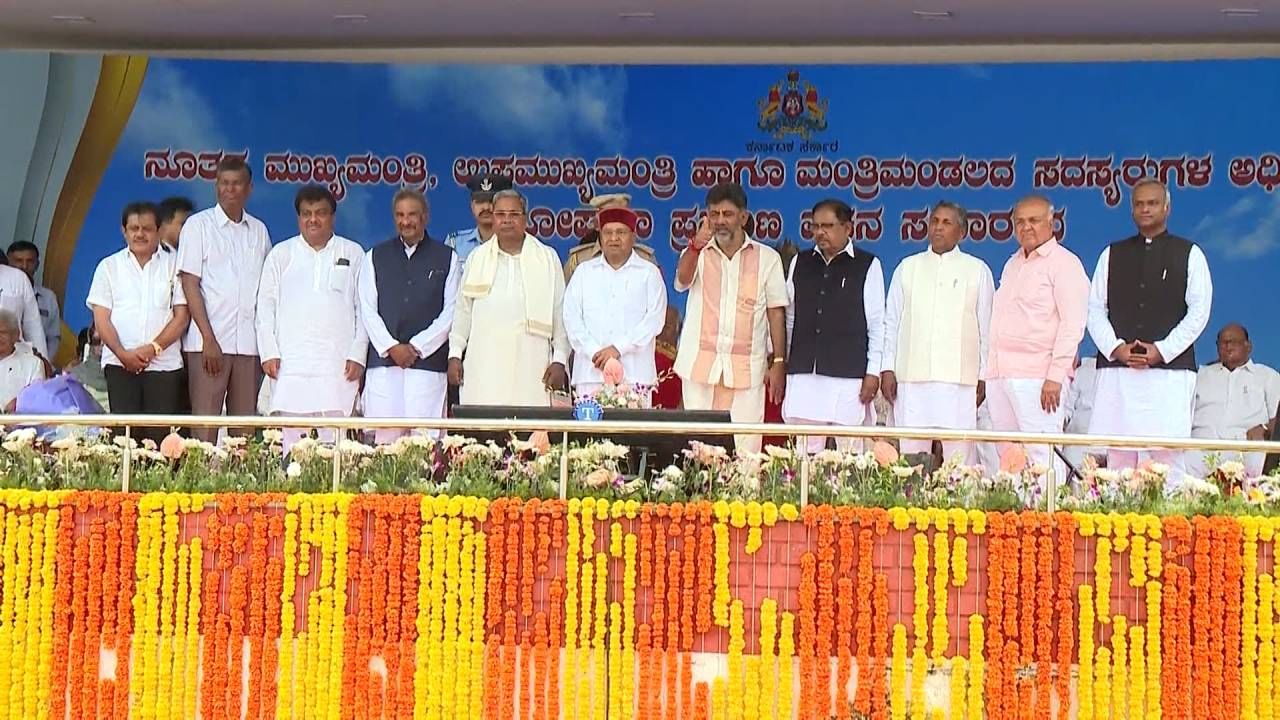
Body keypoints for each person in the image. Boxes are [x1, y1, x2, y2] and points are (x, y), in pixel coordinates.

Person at [1086, 177, 1211, 482]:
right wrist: (1117, 349)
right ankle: (1112, 521)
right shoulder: (1112, 254)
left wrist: (1162, 351)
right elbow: (1094, 309)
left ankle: (1166, 524)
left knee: (1166, 455)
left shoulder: (1189, 253)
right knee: (1118, 454)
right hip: (1119, 371)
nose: (1145, 209)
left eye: (1152, 203)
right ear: (1131, 210)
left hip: (1169, 373)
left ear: (1167, 208)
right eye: (1139, 204)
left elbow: (1199, 312)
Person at [674, 182, 787, 455]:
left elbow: (776, 312)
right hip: (701, 367)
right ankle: (699, 498)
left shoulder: (767, 258)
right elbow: (681, 280)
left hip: (746, 369)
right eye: (714, 214)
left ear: (743, 217)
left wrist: (780, 362)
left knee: (746, 448)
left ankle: (744, 498)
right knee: (698, 447)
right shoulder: (696, 253)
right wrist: (695, 246)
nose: (720, 221)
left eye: (727, 214)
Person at [985, 194, 1090, 487]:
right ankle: (1016, 523)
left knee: (1040, 454)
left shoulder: (1065, 264)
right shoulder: (1012, 264)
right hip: (1000, 374)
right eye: (1020, 221)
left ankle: (1046, 524)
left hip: (1038, 379)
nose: (1026, 227)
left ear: (1052, 222)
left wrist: (1055, 377)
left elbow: (1073, 324)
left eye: (1033, 220)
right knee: (1007, 456)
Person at [256, 185, 368, 452]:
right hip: (290, 363)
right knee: (293, 445)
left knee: (334, 443)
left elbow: (364, 310)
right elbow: (265, 308)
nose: (313, 219)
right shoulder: (281, 255)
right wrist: (268, 352)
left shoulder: (353, 253)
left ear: (333, 217)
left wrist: (358, 354)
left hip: (337, 364)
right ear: (298, 218)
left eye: (320, 213)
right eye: (306, 214)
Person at [882, 201, 994, 466]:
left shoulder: (977, 270)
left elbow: (987, 328)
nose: (938, 228)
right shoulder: (907, 268)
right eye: (934, 221)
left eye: (947, 223)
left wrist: (984, 375)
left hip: (959, 381)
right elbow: (892, 323)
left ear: (962, 232)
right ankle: (910, 506)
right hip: (911, 378)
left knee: (960, 456)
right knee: (911, 455)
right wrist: (887, 368)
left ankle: (963, 507)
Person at [176, 156, 271, 441]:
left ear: (249, 188)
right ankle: (203, 484)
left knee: (243, 431)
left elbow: (267, 290)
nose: (230, 190)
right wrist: (208, 339)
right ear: (216, 187)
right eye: (224, 184)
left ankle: (240, 486)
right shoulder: (198, 225)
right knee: (205, 427)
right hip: (209, 344)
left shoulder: (259, 230)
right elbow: (189, 283)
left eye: (236, 184)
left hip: (248, 346)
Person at [782, 198, 884, 454]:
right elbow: (790, 319)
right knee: (805, 453)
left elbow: (876, 325)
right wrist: (783, 362)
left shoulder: (867, 265)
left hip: (848, 376)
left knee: (849, 455)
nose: (819, 232)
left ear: (848, 228)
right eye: (815, 226)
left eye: (827, 226)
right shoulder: (800, 262)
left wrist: (873, 372)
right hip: (805, 374)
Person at [448, 189, 569, 406]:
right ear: (493, 218)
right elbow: (463, 311)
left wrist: (559, 359)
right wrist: (455, 354)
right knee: (482, 432)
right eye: (500, 214)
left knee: (529, 434)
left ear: (525, 218)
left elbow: (560, 313)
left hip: (531, 366)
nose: (506, 221)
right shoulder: (477, 258)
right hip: (484, 366)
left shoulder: (547, 257)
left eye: (513, 214)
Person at [359, 188, 459, 444]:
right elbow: (367, 310)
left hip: (427, 366)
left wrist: (416, 347)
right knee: (384, 445)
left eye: (412, 215)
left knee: (425, 445)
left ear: (425, 217)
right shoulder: (375, 256)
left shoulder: (447, 257)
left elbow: (452, 311)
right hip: (384, 367)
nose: (406, 221)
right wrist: (391, 347)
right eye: (400, 215)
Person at [86, 201, 190, 443]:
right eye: (134, 228)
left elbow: (181, 316)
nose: (140, 234)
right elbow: (101, 319)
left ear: (158, 231)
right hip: (120, 365)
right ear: (124, 231)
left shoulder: (176, 265)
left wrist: (152, 348)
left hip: (163, 364)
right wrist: (123, 354)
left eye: (146, 228)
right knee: (125, 437)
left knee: (161, 438)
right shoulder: (109, 267)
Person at [563, 206, 666, 404]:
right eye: (608, 233)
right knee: (589, 435)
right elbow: (571, 318)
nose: (613, 238)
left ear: (633, 237)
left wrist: (618, 349)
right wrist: (596, 352)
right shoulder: (584, 272)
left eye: (621, 232)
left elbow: (655, 320)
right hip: (590, 376)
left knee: (633, 433)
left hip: (636, 377)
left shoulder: (649, 273)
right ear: (600, 236)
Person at [1189, 323, 1280, 477]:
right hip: (1202, 447)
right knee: (1179, 459)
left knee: (1262, 459)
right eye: (1223, 342)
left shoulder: (1267, 376)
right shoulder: (1200, 375)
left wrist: (1264, 428)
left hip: (1246, 448)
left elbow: (1278, 418)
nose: (1228, 346)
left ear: (1248, 346)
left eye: (1234, 341)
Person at [563, 193, 659, 281]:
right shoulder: (580, 259)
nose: (614, 237)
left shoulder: (645, 259)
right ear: (597, 224)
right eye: (607, 218)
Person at [6, 241, 60, 359]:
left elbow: (53, 337)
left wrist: (44, 362)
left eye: (30, 261)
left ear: (37, 264)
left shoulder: (48, 297)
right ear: (8, 263)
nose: (24, 266)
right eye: (18, 261)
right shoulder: (3, 292)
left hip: (36, 362)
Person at [444, 172, 511, 265]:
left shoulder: (515, 243)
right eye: (480, 201)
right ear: (472, 205)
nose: (486, 207)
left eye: (491, 201)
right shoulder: (455, 243)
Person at [0, 309, 45, 412]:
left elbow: (37, 399)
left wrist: (20, 402)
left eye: (2, 332)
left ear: (16, 335)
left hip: (19, 425)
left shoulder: (33, 364)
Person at [652, 307, 683, 409]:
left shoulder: (681, 363)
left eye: (668, 326)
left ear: (678, 330)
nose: (662, 330)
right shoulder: (648, 357)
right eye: (661, 326)